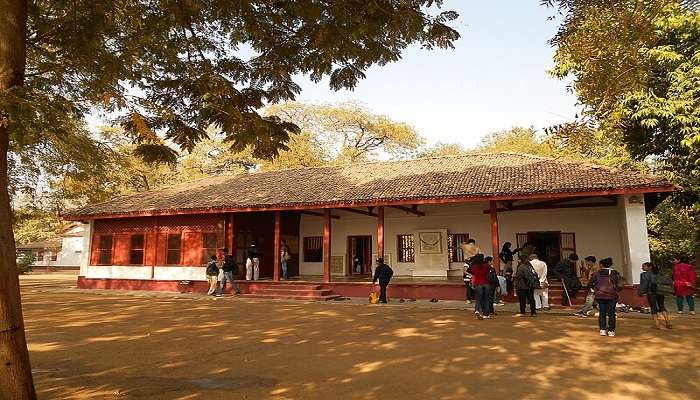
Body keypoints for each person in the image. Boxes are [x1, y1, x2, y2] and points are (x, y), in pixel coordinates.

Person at [587, 257, 623, 337]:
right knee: (611, 313)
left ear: (601, 265)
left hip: (600, 296)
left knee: (602, 313)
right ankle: (611, 330)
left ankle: (602, 329)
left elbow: (589, 284)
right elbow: (621, 285)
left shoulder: (596, 273)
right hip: (612, 296)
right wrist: (615, 291)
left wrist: (595, 289)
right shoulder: (615, 273)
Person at [638, 262, 672, 329]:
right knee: (662, 306)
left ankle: (657, 324)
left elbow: (644, 285)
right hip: (660, 292)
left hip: (650, 293)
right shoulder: (658, 273)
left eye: (644, 266)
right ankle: (668, 322)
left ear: (649, 267)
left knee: (653, 307)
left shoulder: (644, 275)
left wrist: (640, 292)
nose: (642, 268)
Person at [468, 254, 491, 320]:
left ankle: (477, 310)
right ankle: (486, 314)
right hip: (486, 284)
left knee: (478, 299)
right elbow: (490, 271)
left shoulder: (473, 266)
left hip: (478, 284)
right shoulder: (486, 266)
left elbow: (472, 273)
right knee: (486, 299)